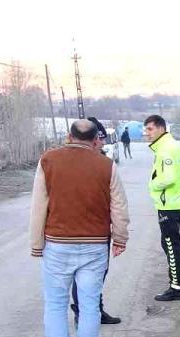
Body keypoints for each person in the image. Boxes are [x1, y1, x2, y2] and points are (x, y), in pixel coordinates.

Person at [30, 119, 129, 337]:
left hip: (57, 243)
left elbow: (39, 205)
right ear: (95, 138)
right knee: (89, 304)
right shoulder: (106, 166)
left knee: (55, 303)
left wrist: (36, 244)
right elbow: (119, 207)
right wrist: (119, 238)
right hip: (95, 246)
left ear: (69, 136)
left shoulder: (48, 161)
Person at [69, 117, 122, 325]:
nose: (102, 142)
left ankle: (92, 309)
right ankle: (85, 311)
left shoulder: (101, 162)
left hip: (95, 225)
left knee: (96, 272)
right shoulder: (86, 163)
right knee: (86, 273)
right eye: (99, 138)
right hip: (88, 227)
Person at [144, 114, 180, 301]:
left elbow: (168, 178)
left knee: (169, 244)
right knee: (172, 243)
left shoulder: (165, 149)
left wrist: (152, 184)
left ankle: (176, 288)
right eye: (145, 130)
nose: (146, 133)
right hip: (178, 202)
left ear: (160, 128)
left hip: (168, 204)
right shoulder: (176, 146)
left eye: (149, 129)